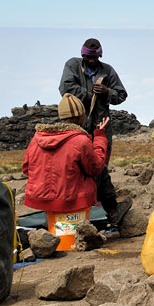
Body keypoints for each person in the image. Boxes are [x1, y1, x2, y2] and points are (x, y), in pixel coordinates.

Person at [59, 38, 131, 226]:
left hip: (101, 122)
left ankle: (98, 205)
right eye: (88, 57)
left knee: (100, 164)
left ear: (99, 56)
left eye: (95, 57)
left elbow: (121, 94)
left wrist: (107, 92)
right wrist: (91, 94)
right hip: (77, 123)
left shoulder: (107, 70)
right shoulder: (73, 65)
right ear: (83, 55)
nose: (91, 60)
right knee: (79, 165)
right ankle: (89, 204)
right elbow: (66, 88)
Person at [22, 93, 109, 215]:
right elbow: (95, 167)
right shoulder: (80, 140)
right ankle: (112, 212)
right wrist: (99, 136)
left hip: (41, 200)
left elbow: (26, 168)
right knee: (102, 170)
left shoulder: (36, 139)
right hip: (73, 202)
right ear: (80, 117)